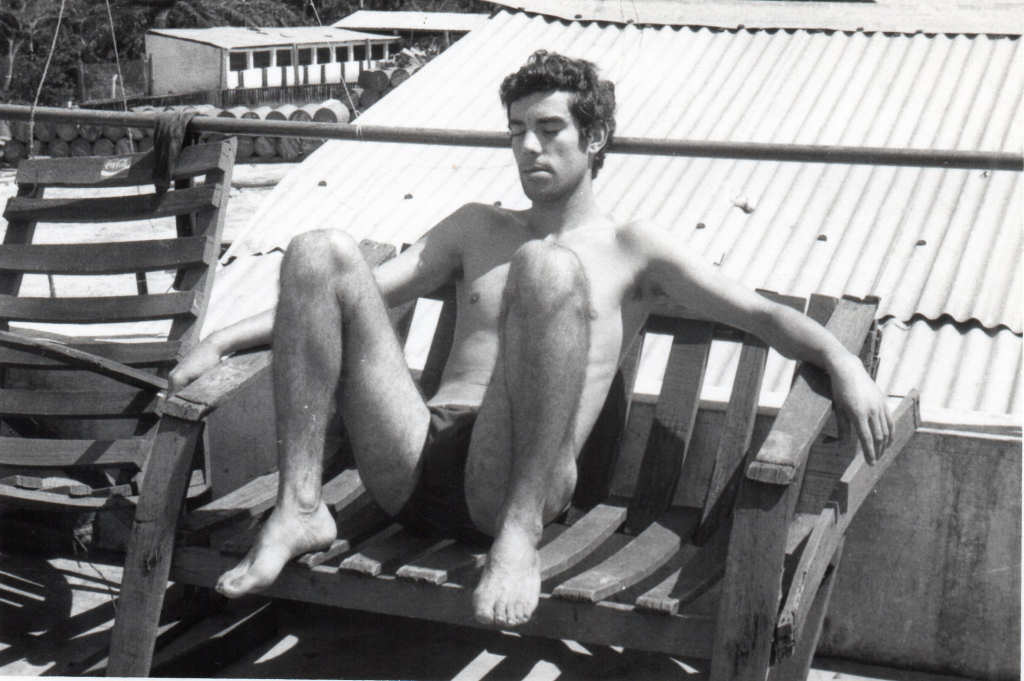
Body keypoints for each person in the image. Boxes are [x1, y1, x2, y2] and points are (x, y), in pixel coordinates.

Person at [168, 50, 893, 628]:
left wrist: (841, 360)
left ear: (595, 138)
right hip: (414, 457)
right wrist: (226, 338)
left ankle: (517, 542)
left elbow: (761, 316)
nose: (528, 146)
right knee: (317, 249)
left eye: (549, 129)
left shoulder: (634, 250)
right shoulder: (475, 226)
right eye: (516, 130)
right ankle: (301, 507)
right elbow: (349, 294)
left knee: (547, 267)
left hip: (517, 482)